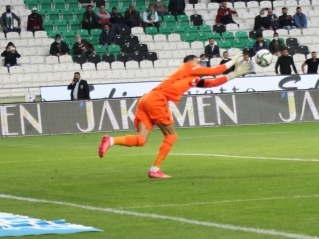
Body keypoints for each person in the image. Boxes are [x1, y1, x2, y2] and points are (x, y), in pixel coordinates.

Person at [98, 54, 249, 178]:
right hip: (157, 99)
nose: (200, 64)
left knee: (141, 140)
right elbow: (214, 71)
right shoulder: (188, 67)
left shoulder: (190, 78)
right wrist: (234, 60)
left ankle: (110, 140)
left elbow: (212, 83)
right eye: (198, 61)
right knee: (171, 136)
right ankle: (154, 170)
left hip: (146, 99)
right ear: (192, 61)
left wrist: (234, 75)